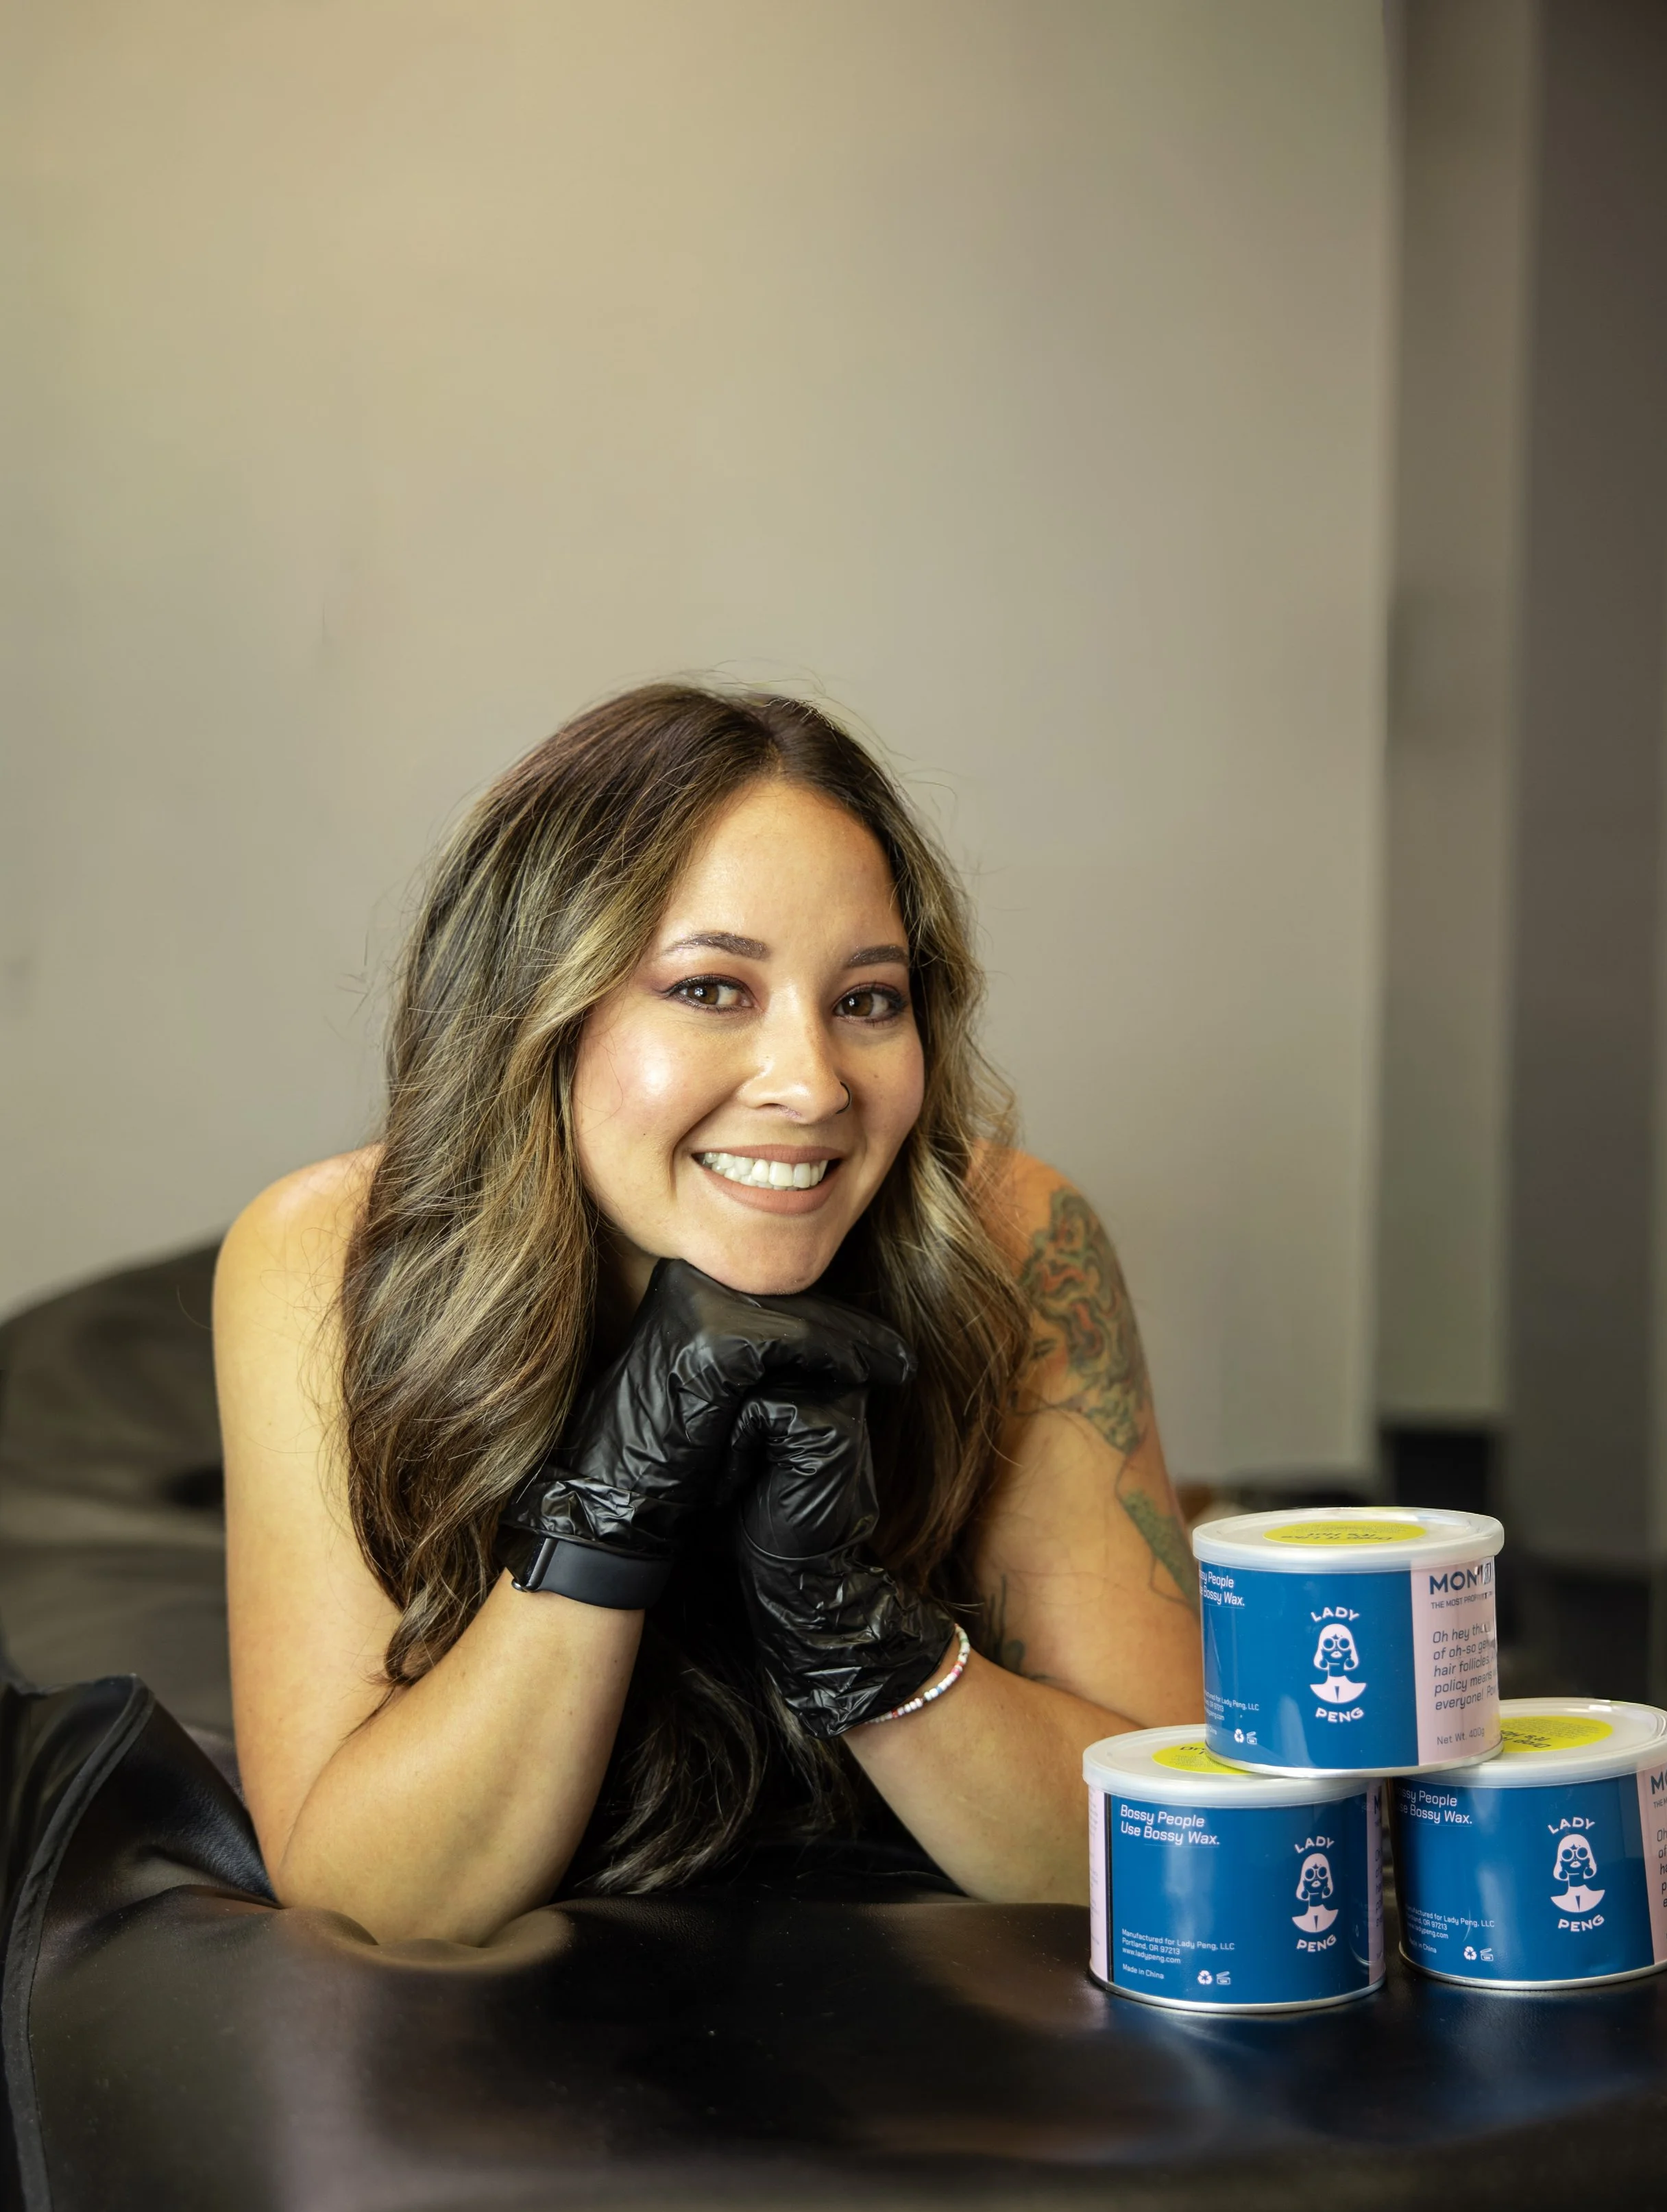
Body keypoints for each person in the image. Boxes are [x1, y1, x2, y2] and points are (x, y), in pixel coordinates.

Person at [214, 685, 1202, 1943]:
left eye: (867, 1001)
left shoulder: (1020, 1242)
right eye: (711, 990)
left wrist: (848, 1622)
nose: (810, 1083)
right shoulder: (314, 1259)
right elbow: (369, 1894)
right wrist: (612, 1514)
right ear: (540, 1011)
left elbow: (1179, 1836)